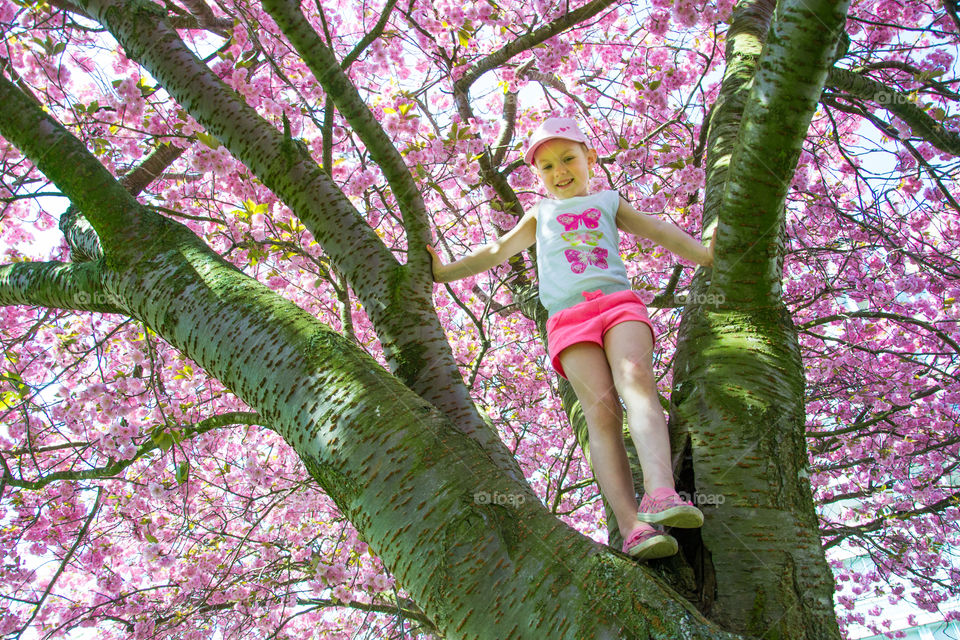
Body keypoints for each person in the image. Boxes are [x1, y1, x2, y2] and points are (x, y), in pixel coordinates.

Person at [427, 117, 714, 560]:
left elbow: (657, 229)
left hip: (618, 304)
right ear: (537, 176)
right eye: (546, 167)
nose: (559, 171)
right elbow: (495, 250)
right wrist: (444, 271)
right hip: (569, 319)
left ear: (589, 158)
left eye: (567, 159)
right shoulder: (538, 214)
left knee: (637, 380)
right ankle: (631, 526)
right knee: (601, 416)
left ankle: (660, 491)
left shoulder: (608, 201)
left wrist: (705, 254)